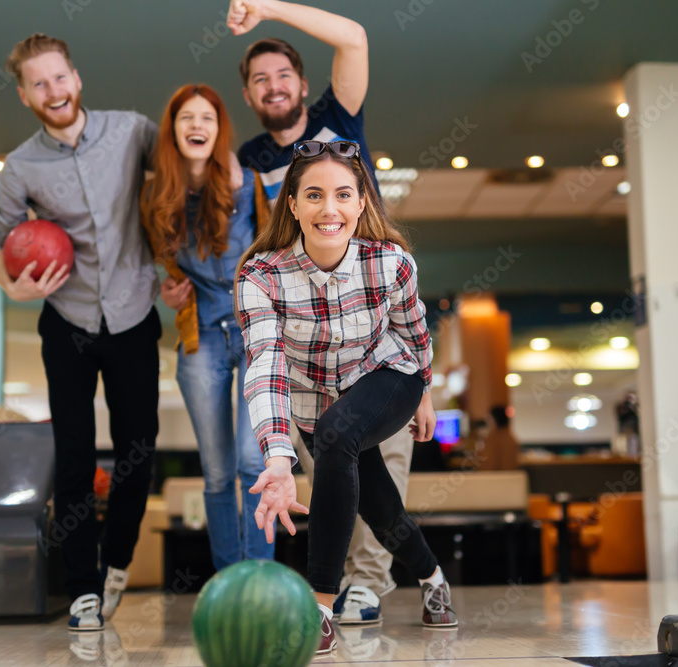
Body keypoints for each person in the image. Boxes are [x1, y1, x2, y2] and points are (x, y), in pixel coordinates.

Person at [228, 0, 412, 626]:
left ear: (303, 85)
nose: (274, 86)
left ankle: (366, 584)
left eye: (283, 75)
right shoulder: (251, 160)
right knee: (335, 465)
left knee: (381, 457)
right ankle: (337, 584)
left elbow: (355, 37)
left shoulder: (339, 121)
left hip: (377, 329)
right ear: (250, 95)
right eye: (260, 80)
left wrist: (264, 8)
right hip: (310, 342)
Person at [235, 140, 458, 655]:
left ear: (362, 203)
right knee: (380, 505)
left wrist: (424, 390)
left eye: (342, 195)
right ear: (292, 205)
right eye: (313, 195)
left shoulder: (390, 263)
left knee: (338, 435)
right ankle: (433, 579)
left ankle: (319, 607)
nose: (328, 209)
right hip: (314, 400)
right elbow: (265, 365)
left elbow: (414, 331)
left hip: (388, 376)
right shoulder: (261, 276)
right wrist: (277, 455)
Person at [0, 33, 160, 631]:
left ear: (76, 79)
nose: (53, 91)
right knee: (75, 459)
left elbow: (183, 184)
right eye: (39, 83)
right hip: (67, 321)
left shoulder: (133, 130)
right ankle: (83, 588)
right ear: (24, 95)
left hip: (135, 313)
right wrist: (13, 288)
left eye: (59, 78)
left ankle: (116, 563)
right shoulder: (21, 166)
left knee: (139, 454)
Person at [140, 84, 272, 571]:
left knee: (252, 462)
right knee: (217, 473)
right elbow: (160, 263)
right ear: (173, 130)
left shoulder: (247, 183)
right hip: (201, 337)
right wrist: (168, 288)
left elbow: (274, 253)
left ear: (220, 131)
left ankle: (259, 578)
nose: (197, 125)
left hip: (256, 332)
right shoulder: (156, 195)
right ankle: (228, 581)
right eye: (187, 118)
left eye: (208, 119)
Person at [480, 405, 521, 470]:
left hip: (496, 478)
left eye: (489, 419)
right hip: (510, 478)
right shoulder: (511, 438)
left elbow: (487, 466)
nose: (487, 422)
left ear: (494, 420)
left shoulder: (492, 439)